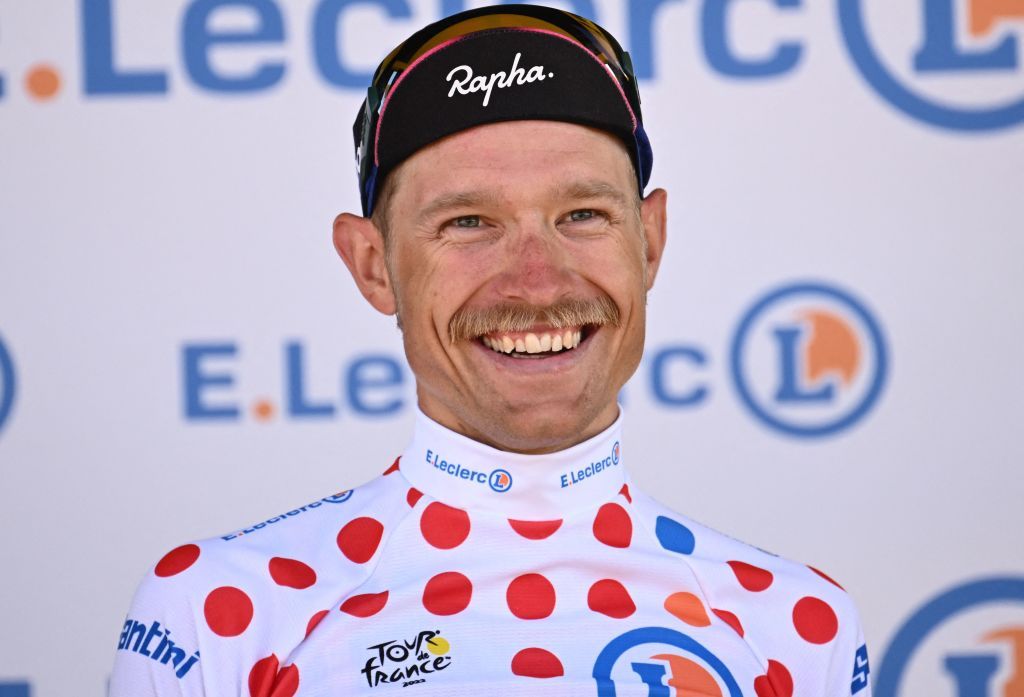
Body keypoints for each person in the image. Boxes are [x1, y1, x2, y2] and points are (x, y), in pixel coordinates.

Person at [110, 5, 871, 696]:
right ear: (374, 265)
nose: (537, 283)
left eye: (581, 213)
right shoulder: (218, 613)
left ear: (650, 241)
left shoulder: (797, 626)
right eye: (469, 223)